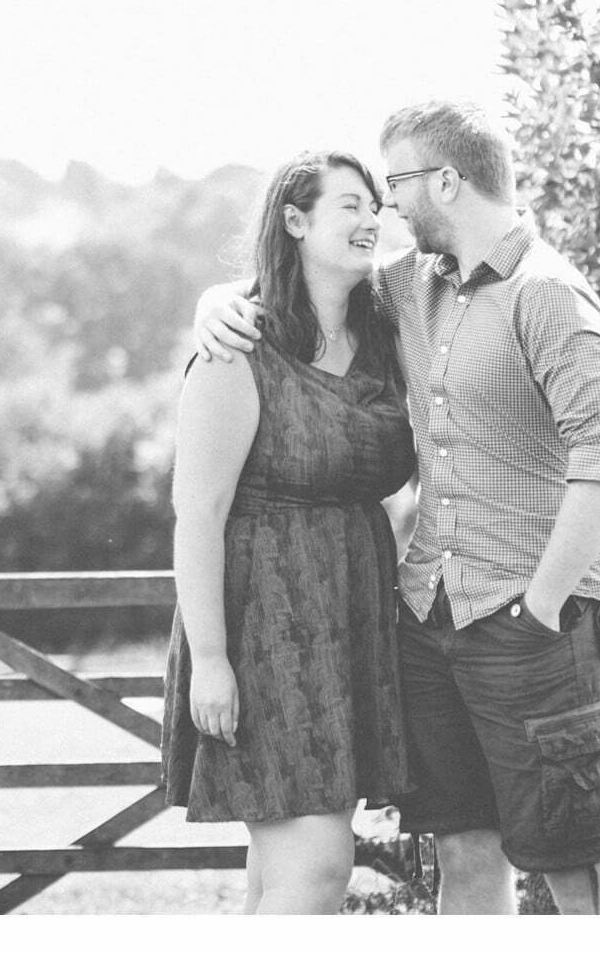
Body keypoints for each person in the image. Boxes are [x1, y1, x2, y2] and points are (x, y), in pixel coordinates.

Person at [194, 102, 600, 914]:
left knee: (581, 873)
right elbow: (305, 272)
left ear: (446, 179)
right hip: (431, 623)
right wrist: (219, 300)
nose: (389, 206)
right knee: (466, 856)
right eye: (370, 194)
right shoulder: (409, 287)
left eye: (394, 183)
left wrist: (542, 605)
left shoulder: (548, 294)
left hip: (531, 624)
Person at [162, 150, 415, 914]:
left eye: (375, 204)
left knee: (281, 876)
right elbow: (197, 511)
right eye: (348, 204)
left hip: (348, 624)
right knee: (316, 869)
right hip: (262, 629)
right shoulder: (240, 342)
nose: (370, 218)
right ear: (295, 220)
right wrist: (210, 659)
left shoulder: (387, 333)